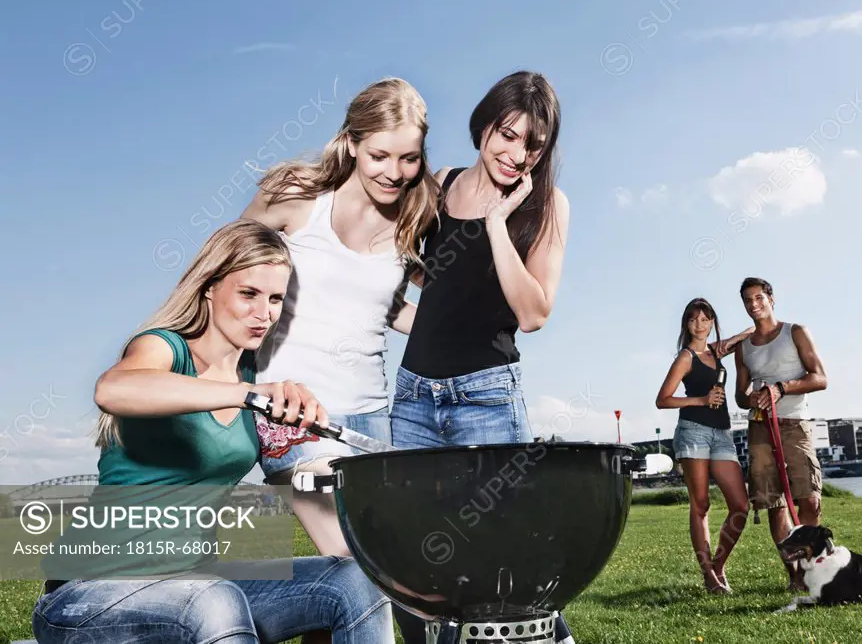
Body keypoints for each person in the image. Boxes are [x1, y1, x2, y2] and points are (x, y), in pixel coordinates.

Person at [32, 219, 394, 643]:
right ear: (209, 287)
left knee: (351, 582)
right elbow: (113, 388)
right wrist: (244, 394)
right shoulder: (165, 348)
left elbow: (303, 478)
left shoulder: (255, 377)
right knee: (214, 599)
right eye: (249, 294)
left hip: (193, 583)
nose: (265, 314)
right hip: (87, 594)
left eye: (276, 298)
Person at [387, 71, 573, 643]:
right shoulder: (439, 183)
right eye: (507, 134)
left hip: (487, 397)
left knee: (502, 557)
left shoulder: (547, 205)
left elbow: (533, 312)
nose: (516, 154)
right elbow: (431, 282)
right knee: (409, 557)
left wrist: (497, 224)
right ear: (484, 124)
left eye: (532, 145)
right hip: (415, 395)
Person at [239, 77, 440, 566]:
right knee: (362, 565)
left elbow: (383, 306)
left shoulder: (416, 213)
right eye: (379, 156)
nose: (394, 173)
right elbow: (226, 268)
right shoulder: (295, 195)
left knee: (357, 577)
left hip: (371, 415)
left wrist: (460, 333)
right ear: (351, 143)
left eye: (408, 158)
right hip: (293, 410)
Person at [733, 276, 827, 593]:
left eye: (758, 297)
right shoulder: (743, 348)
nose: (753, 304)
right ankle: (796, 577)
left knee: (809, 500)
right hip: (761, 425)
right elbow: (739, 395)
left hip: (795, 423)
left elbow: (820, 378)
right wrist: (754, 397)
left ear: (771, 299)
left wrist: (780, 388)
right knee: (774, 503)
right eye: (747, 300)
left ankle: (813, 569)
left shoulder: (795, 332)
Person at [655, 298, 752, 594]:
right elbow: (663, 399)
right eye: (694, 319)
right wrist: (701, 400)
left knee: (740, 505)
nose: (700, 324)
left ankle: (718, 564)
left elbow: (744, 335)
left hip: (722, 433)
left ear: (712, 322)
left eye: (705, 319)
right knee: (701, 505)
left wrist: (755, 329)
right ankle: (708, 575)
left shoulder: (716, 351)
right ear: (687, 324)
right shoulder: (685, 357)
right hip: (693, 431)